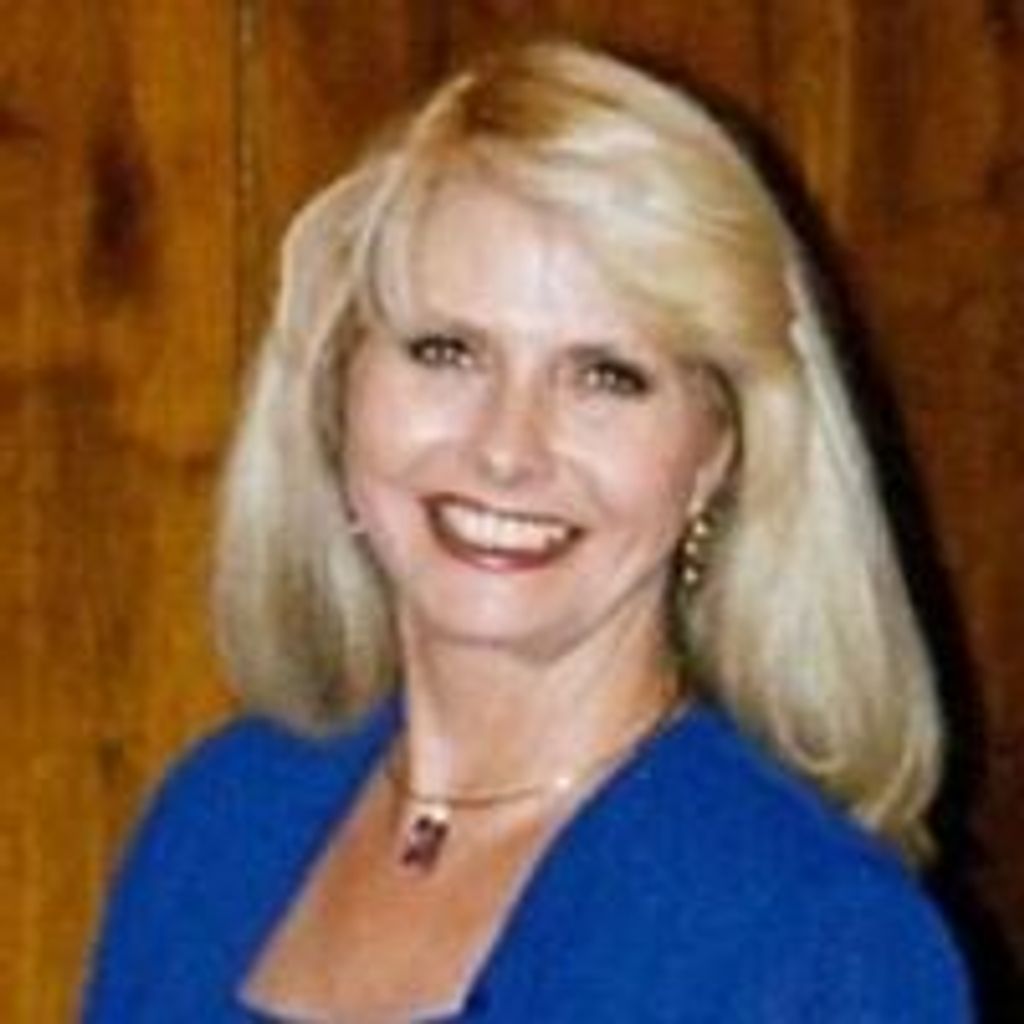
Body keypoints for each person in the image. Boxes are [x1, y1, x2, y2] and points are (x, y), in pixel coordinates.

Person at [82, 41, 973, 1022]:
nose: (507, 448)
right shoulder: (215, 823)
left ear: (717, 450)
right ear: (339, 391)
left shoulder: (818, 934)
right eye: (446, 351)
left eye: (605, 376)